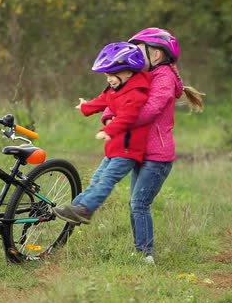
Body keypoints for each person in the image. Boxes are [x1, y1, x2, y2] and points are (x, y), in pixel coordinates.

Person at [101, 28, 204, 265]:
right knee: (134, 202)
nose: (132, 57)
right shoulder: (141, 76)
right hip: (139, 152)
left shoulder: (165, 78)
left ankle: (145, 254)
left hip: (157, 156)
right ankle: (140, 251)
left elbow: (150, 110)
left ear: (156, 55)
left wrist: (120, 121)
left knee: (140, 203)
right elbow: (117, 96)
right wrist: (108, 115)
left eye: (137, 51)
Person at [53, 42, 152, 225]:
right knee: (96, 179)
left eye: (113, 74)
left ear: (129, 72)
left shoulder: (136, 94)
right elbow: (101, 101)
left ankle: (85, 210)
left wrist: (108, 130)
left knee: (106, 180)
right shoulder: (116, 89)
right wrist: (85, 107)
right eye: (107, 75)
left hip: (128, 150)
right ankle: (76, 207)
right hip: (115, 148)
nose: (109, 79)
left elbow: (127, 118)